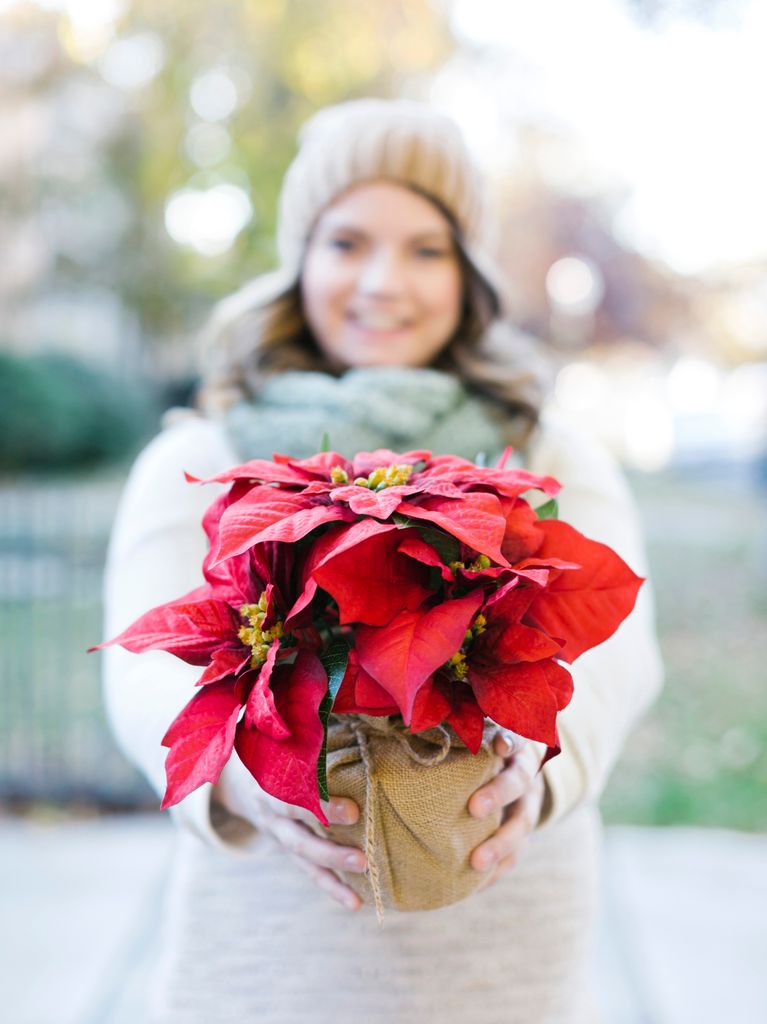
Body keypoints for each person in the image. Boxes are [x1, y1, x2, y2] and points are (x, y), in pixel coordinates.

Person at [102, 98, 663, 1024]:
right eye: (347, 242)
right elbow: (143, 669)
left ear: (468, 275)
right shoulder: (199, 454)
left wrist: (542, 770)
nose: (383, 281)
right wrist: (246, 782)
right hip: (268, 953)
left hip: (500, 951)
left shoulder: (546, 446)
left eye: (426, 249)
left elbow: (618, 650)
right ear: (300, 262)